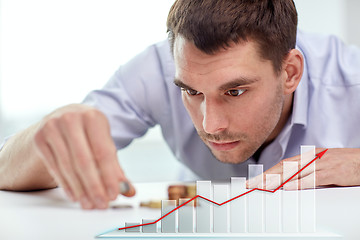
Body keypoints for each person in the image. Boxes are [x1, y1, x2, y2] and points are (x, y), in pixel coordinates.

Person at [0, 0, 359, 210]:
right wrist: (44, 139)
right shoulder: (158, 69)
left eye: (235, 92)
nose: (211, 124)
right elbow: (3, 167)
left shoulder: (350, 78)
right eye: (191, 92)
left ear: (291, 72)